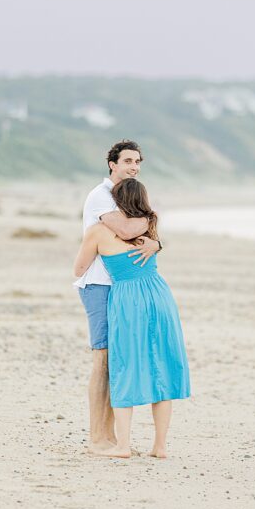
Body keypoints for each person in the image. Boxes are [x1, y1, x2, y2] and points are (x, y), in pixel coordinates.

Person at [74, 178, 191, 458]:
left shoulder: (98, 232)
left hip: (127, 298)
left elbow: (79, 269)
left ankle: (122, 446)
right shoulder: (149, 229)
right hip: (159, 296)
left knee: (124, 365)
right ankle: (159, 447)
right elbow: (152, 245)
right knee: (162, 367)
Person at [74, 140, 161, 454]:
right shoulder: (101, 197)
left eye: (137, 162)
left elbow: (141, 232)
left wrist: (155, 240)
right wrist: (151, 224)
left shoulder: (125, 197)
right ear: (112, 163)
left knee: (117, 361)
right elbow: (126, 231)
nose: (133, 167)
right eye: (127, 161)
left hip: (123, 288)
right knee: (104, 361)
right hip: (99, 285)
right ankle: (98, 438)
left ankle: (112, 437)